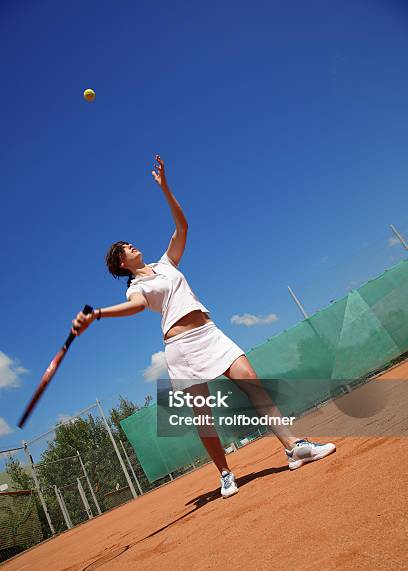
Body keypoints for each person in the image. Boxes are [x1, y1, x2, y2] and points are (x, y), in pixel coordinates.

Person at [72, 155, 336, 498]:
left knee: (253, 383)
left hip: (210, 334)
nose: (132, 245)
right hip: (182, 348)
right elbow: (135, 307)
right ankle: (225, 474)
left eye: (130, 243)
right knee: (204, 415)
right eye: (126, 248)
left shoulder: (165, 264)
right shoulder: (136, 288)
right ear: (122, 262)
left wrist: (166, 189)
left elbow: (182, 227)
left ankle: (293, 447)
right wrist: (98, 314)